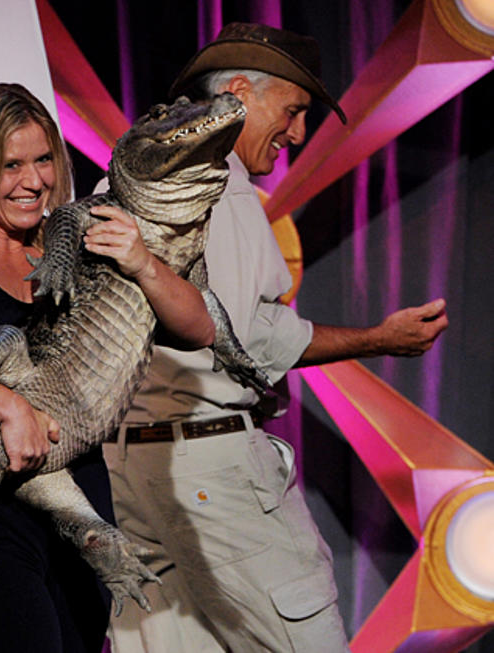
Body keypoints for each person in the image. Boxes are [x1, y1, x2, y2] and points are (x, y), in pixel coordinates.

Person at [100, 23, 450, 653]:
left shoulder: (124, 180)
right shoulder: (220, 185)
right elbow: (240, 334)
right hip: (209, 471)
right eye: (292, 112)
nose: (296, 135)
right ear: (239, 93)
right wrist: (378, 338)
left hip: (131, 473)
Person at [0, 83, 214, 653]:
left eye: (42, 161)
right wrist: (8, 407)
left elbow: (197, 330)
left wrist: (141, 261)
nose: (34, 182)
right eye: (11, 165)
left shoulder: (79, 244)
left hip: (78, 514)